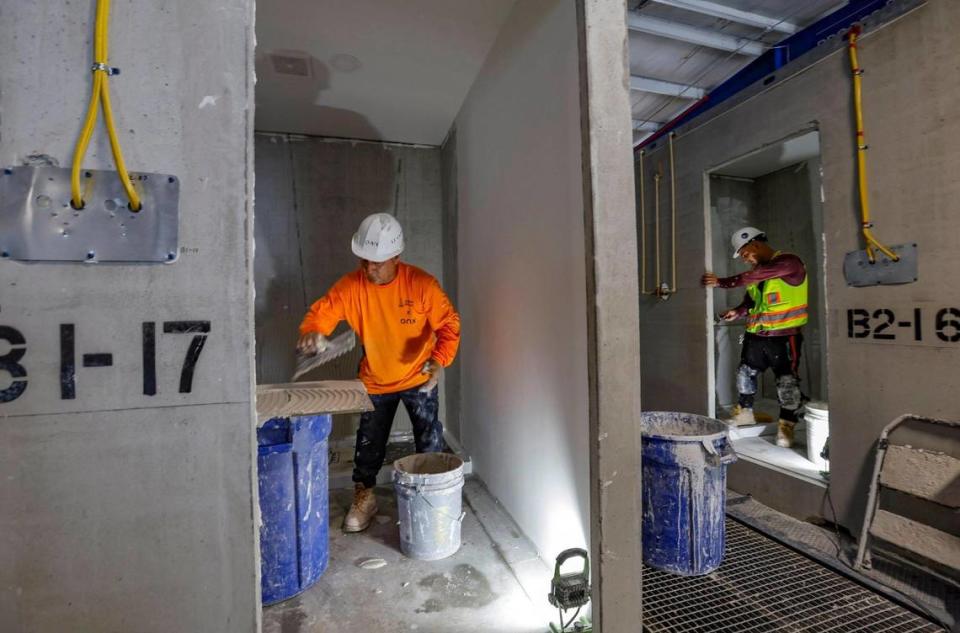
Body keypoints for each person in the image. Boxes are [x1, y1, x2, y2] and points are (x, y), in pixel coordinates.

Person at [297, 213, 461, 532]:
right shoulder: (351, 287)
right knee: (369, 443)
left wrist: (438, 361)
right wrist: (312, 333)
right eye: (365, 261)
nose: (369, 268)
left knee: (429, 442)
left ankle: (432, 506)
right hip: (375, 380)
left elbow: (450, 326)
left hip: (419, 377)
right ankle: (365, 498)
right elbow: (321, 315)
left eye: (377, 262)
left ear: (397, 257)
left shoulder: (422, 286)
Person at [702, 227, 807, 448]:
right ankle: (745, 414)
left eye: (745, 254)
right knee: (745, 373)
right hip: (755, 336)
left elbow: (752, 276)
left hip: (784, 337)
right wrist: (737, 312)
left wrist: (721, 282)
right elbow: (752, 301)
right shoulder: (760, 272)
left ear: (755, 245)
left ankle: (786, 428)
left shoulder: (789, 263)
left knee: (786, 382)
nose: (745, 260)